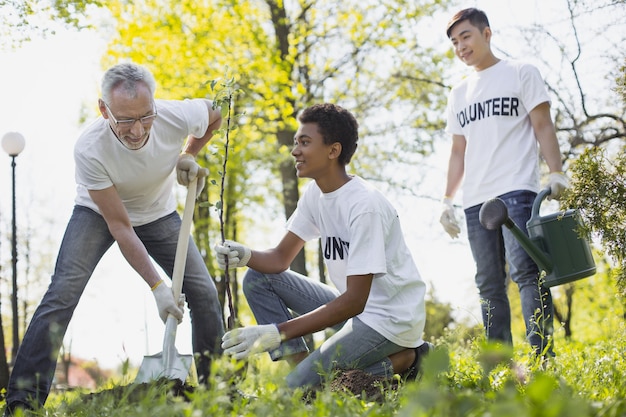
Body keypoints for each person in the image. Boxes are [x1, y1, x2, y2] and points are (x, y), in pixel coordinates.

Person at [4, 62, 225, 414]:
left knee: (204, 293)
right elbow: (120, 225)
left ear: (154, 103)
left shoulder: (175, 114)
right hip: (98, 213)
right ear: (104, 109)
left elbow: (217, 112)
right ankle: (22, 403)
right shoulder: (90, 148)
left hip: (159, 212)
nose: (137, 131)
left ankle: (217, 394)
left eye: (145, 117)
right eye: (125, 120)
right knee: (62, 293)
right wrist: (158, 288)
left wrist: (188, 153)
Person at [213, 103, 431, 390]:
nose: (295, 151)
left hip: (389, 322)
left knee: (293, 390)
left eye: (305, 142)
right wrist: (245, 255)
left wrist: (277, 332)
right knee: (257, 279)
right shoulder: (316, 194)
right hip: (357, 312)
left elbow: (355, 300)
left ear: (333, 150)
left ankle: (408, 359)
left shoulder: (365, 206)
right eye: (295, 143)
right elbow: (279, 260)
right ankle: (305, 378)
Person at [439, 8, 569, 357]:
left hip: (516, 188)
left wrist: (555, 171)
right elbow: (457, 151)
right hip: (475, 200)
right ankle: (499, 366)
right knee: (488, 283)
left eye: (466, 36)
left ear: (486, 33)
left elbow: (543, 124)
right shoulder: (458, 94)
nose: (460, 46)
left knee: (526, 272)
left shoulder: (520, 72)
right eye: (454, 42)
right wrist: (447, 200)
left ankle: (543, 358)